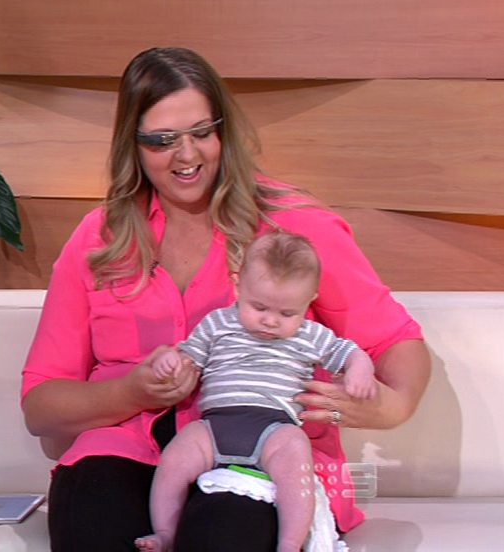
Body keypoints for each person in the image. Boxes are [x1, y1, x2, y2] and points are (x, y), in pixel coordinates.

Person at [21, 47, 430, 551]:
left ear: (223, 131)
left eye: (201, 133)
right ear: (133, 144)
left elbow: (396, 342)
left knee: (223, 533)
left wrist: (390, 408)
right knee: (92, 522)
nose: (187, 155)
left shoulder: (294, 228)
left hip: (261, 449)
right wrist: (133, 392)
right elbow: (41, 406)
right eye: (163, 140)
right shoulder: (98, 238)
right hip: (124, 447)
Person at [135, 232, 377, 552]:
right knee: (174, 461)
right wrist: (171, 360)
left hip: (274, 428)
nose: (271, 321)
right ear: (238, 287)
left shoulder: (309, 335)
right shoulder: (218, 323)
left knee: (296, 459)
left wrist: (360, 369)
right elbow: (189, 356)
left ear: (309, 301)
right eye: (259, 306)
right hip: (215, 426)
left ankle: (290, 542)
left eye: (287, 313)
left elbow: (348, 352)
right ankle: (166, 532)